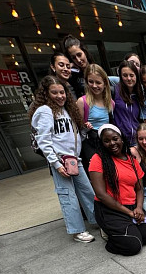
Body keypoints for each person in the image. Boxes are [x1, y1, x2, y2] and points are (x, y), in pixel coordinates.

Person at [29, 76, 96, 243]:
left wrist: (84, 131)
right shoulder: (45, 111)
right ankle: (77, 230)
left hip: (74, 159)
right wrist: (57, 164)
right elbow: (43, 140)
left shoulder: (67, 110)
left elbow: (71, 136)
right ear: (46, 93)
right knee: (68, 196)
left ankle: (98, 219)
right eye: (54, 92)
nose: (60, 96)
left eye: (62, 92)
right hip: (61, 160)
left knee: (87, 192)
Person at [88, 124, 146, 255]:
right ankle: (109, 235)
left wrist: (139, 208)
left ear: (121, 139)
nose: (112, 143)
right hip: (110, 209)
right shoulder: (97, 159)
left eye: (115, 139)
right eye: (106, 141)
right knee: (133, 246)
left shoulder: (131, 159)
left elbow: (139, 188)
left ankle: (125, 230)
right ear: (101, 143)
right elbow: (101, 195)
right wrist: (129, 213)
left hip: (132, 206)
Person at [77, 64, 114, 171]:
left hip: (107, 142)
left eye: (98, 82)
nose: (94, 85)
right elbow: (79, 128)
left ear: (105, 83)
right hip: (91, 144)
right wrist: (85, 126)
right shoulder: (82, 102)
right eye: (91, 82)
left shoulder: (110, 103)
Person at [112, 60, 144, 147]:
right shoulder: (114, 91)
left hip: (138, 141)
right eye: (125, 75)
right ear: (120, 77)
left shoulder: (139, 93)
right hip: (121, 142)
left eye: (131, 75)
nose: (129, 78)